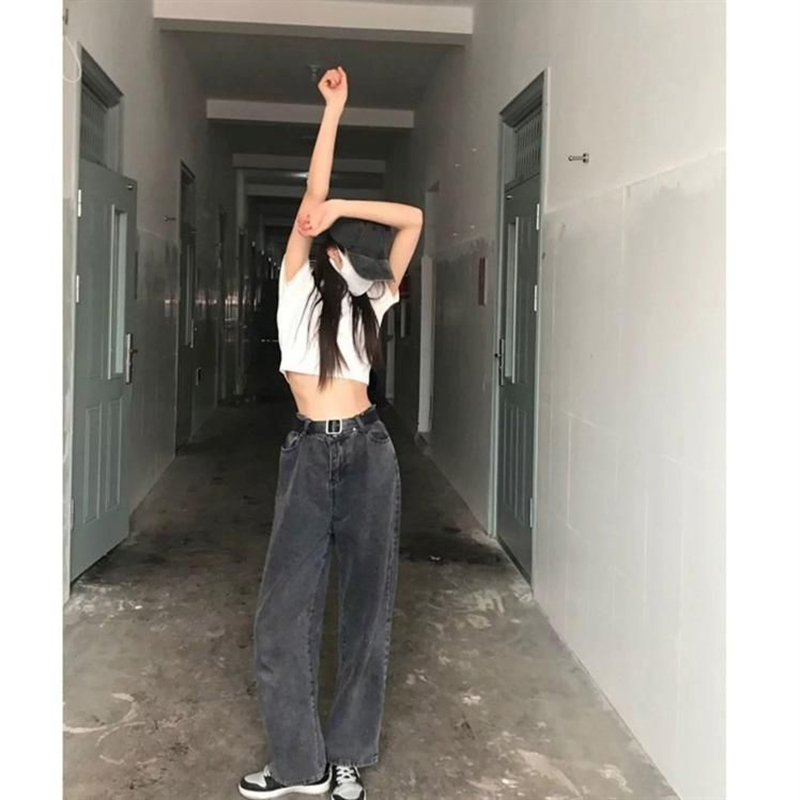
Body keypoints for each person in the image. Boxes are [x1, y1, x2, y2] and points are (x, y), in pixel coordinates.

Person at [239, 66, 423, 800]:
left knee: (366, 611)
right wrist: (333, 111)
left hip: (370, 451)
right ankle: (300, 766)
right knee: (281, 619)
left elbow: (412, 219)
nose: (365, 267)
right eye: (351, 253)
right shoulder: (294, 288)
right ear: (328, 250)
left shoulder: (372, 300)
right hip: (310, 455)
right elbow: (312, 201)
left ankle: (346, 754)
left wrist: (348, 205)